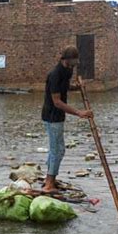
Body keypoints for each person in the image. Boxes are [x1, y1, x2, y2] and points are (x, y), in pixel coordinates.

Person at [41, 46, 93, 193]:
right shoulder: (55, 74)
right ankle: (49, 184)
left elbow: (63, 87)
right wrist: (79, 113)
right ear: (65, 60)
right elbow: (57, 101)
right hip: (52, 116)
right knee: (57, 150)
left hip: (58, 116)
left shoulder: (67, 71)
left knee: (57, 149)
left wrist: (76, 87)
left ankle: (49, 179)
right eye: (72, 62)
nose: (74, 65)